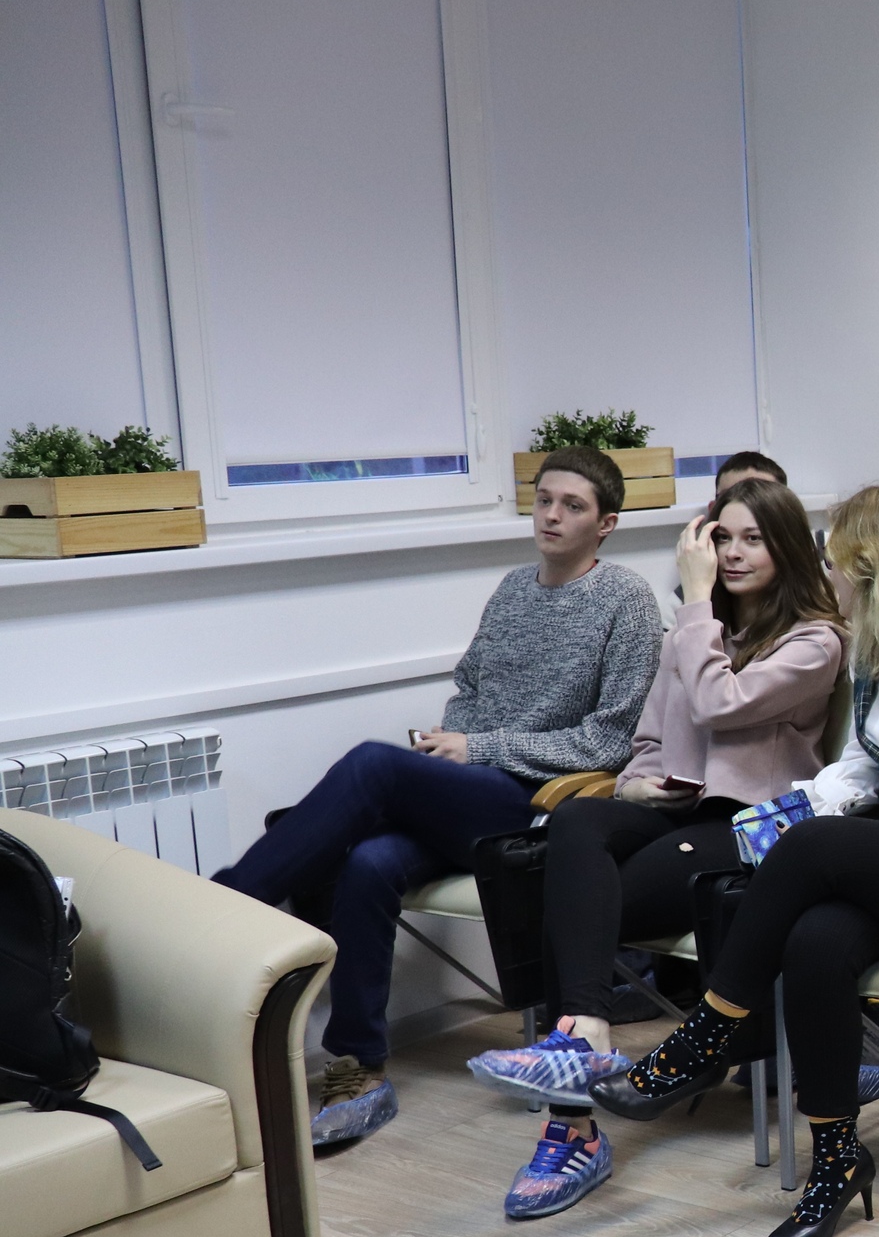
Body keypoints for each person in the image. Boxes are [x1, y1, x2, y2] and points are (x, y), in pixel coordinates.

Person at [577, 486, 879, 1237]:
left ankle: (706, 1035)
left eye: (838, 562)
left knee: (817, 850)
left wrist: (847, 850)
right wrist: (798, 811)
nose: (828, 575)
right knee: (817, 938)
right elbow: (861, 767)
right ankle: (837, 1160)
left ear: (877, 567)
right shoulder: (878, 650)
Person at [215, 448, 661, 1148]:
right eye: (545, 499)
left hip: (540, 800)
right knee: (366, 862)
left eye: (572, 506)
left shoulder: (626, 599)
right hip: (469, 790)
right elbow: (469, 690)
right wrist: (452, 745)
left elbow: (609, 739)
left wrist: (477, 748)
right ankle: (360, 1070)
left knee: (373, 765)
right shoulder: (512, 588)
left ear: (605, 524)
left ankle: (227, 908)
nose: (551, 514)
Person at [478, 476, 845, 1218]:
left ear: (785, 549)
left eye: (752, 539)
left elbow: (717, 702)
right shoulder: (693, 630)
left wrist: (697, 600)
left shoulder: (815, 640)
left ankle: (571, 1127)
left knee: (570, 903)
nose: (732, 553)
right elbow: (650, 736)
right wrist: (637, 784)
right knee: (575, 825)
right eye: (722, 537)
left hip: (746, 829)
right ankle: (586, 1035)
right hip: (674, 811)